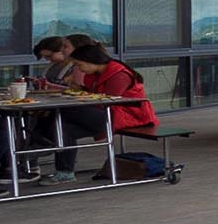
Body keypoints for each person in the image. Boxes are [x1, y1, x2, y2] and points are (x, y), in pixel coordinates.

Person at [28, 44, 157, 185]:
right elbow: (94, 96)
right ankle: (64, 172)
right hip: (101, 114)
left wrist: (81, 95)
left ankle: (36, 143)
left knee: (61, 111)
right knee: (63, 127)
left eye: (79, 65)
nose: (78, 69)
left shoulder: (119, 74)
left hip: (122, 116)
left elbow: (107, 101)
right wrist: (79, 90)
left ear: (91, 60)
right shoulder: (94, 74)